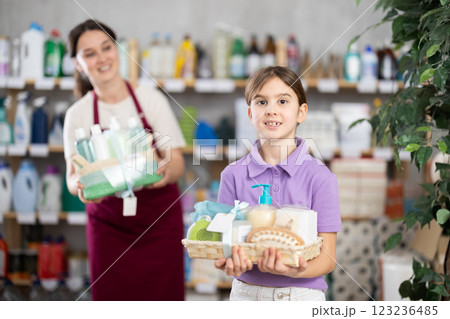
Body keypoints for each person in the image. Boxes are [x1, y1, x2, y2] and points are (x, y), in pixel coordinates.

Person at [63, 19, 186, 301]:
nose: (101, 58)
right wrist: (79, 187)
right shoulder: (78, 115)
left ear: (117, 50)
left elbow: (176, 161)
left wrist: (163, 172)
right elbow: (72, 176)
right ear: (78, 64)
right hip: (108, 226)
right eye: (89, 53)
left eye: (106, 47)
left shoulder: (150, 100)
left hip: (158, 223)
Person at [215, 66, 341, 301]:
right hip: (245, 296)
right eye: (261, 102)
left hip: (301, 296)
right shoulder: (232, 175)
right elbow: (223, 248)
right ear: (251, 114)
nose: (271, 110)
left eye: (283, 102)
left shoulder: (321, 178)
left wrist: (296, 269)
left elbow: (328, 257)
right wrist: (229, 263)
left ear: (301, 112)